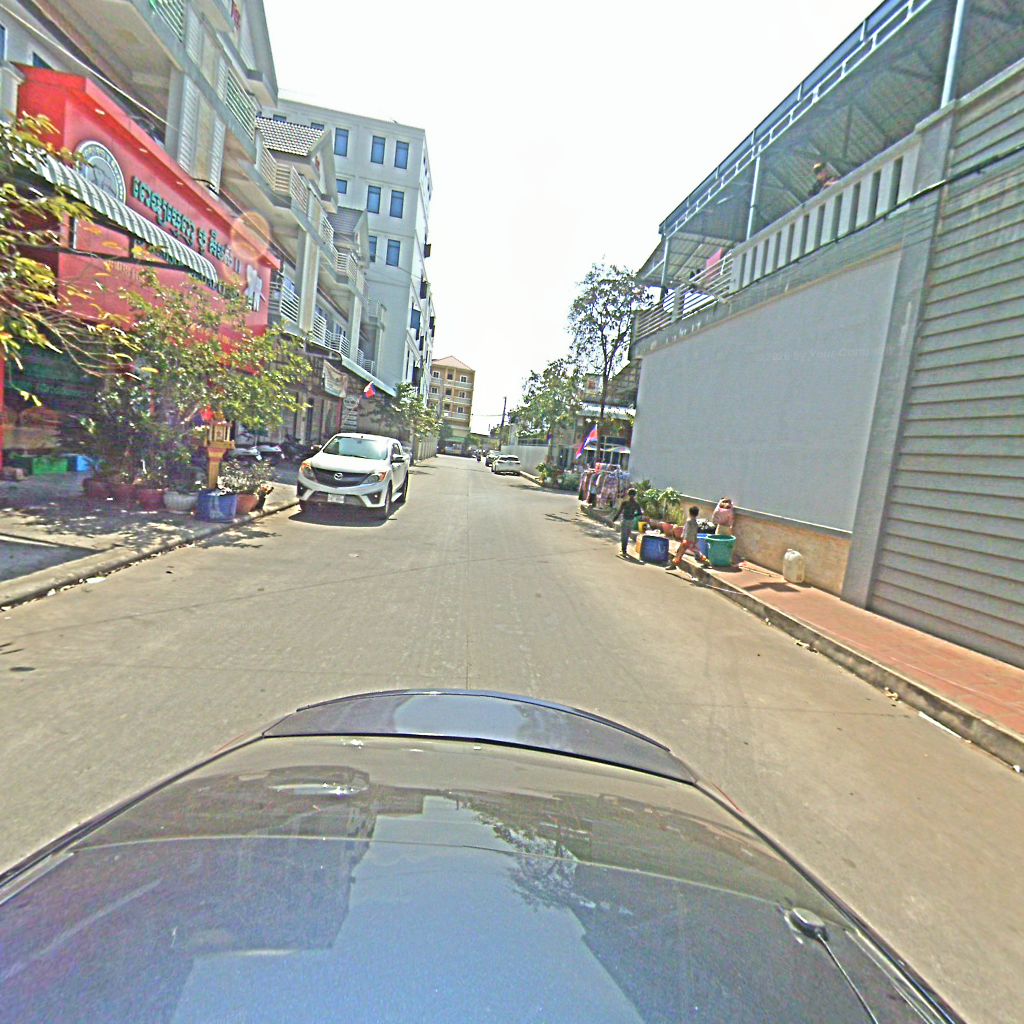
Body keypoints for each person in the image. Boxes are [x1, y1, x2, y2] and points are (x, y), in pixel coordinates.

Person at [611, 488, 644, 557]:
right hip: (631, 520)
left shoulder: (625, 502)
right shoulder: (636, 504)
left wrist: (614, 519)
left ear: (628, 494)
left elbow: (619, 512)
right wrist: (633, 515)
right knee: (627, 535)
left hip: (625, 519)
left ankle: (624, 550)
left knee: (624, 536)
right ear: (635, 495)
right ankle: (624, 549)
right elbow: (640, 513)